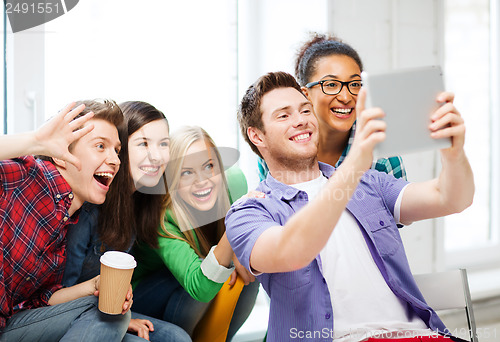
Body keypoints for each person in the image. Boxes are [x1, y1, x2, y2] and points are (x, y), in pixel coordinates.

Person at [226, 71, 474, 342]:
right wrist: (356, 161)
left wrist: (454, 152)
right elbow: (292, 250)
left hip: (421, 336)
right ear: (257, 136)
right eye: (284, 115)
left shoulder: (368, 183)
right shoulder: (249, 212)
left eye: (305, 110)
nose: (301, 121)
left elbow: (451, 198)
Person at [0, 100, 132, 341]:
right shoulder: (24, 177)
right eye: (100, 146)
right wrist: (36, 141)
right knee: (105, 312)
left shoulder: (66, 222)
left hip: (12, 325)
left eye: (116, 150)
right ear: (61, 156)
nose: (115, 160)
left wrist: (94, 286)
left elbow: (40, 300)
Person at [62, 101, 191, 342]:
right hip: (74, 312)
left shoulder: (142, 200)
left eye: (164, 144)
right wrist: (122, 319)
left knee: (177, 338)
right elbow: (57, 295)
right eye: (143, 143)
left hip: (112, 307)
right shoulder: (90, 204)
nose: (157, 155)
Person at [132, 126, 259, 340]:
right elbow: (198, 287)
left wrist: (240, 250)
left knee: (248, 271)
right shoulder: (163, 218)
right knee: (202, 270)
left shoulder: (234, 183)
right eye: (187, 172)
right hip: (144, 296)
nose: (202, 180)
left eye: (208, 166)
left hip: (194, 283)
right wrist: (234, 231)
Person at [258, 32, 406, 180]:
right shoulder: (275, 147)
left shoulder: (382, 157)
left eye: (355, 84)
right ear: (305, 94)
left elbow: (404, 202)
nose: (346, 97)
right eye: (331, 85)